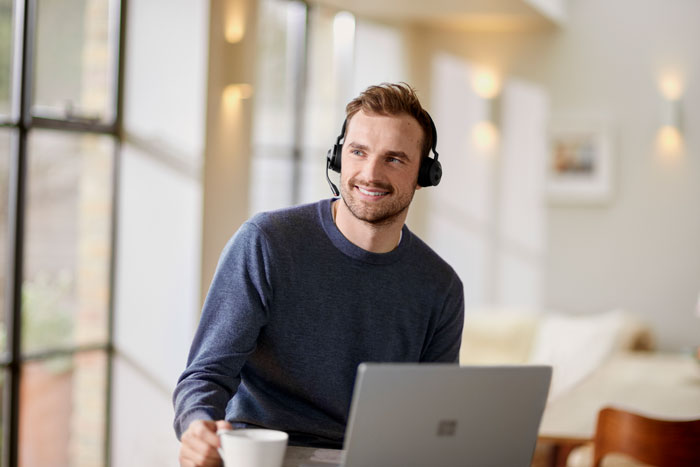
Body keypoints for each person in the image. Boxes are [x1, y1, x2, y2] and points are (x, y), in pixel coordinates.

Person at [173, 82, 465, 467]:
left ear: (425, 174)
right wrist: (198, 428)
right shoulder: (266, 243)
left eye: (394, 159)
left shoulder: (440, 287)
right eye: (358, 152)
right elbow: (206, 374)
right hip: (262, 453)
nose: (370, 173)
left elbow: (434, 419)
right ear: (339, 156)